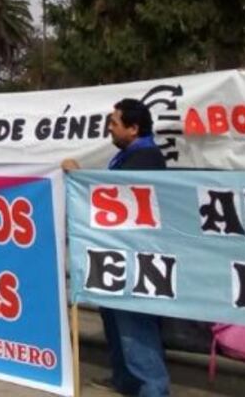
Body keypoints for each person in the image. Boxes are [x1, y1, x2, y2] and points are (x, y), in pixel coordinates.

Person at [62, 98, 169, 397]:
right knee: (115, 322)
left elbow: (117, 198)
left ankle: (153, 388)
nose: (109, 129)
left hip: (135, 260)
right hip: (115, 255)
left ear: (133, 129)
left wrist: (79, 176)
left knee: (134, 327)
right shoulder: (132, 155)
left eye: (114, 123)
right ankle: (125, 380)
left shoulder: (146, 158)